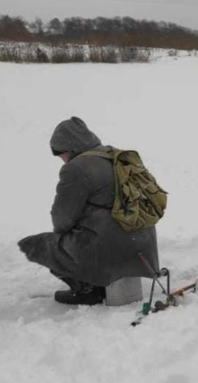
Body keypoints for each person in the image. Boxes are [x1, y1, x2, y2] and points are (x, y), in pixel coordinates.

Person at [18, 117, 159, 305]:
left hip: (111, 249)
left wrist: (65, 240)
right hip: (143, 245)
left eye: (61, 155)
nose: (62, 160)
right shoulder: (116, 155)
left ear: (70, 149)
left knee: (40, 244)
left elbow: (62, 218)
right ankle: (99, 279)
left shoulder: (76, 169)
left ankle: (87, 289)